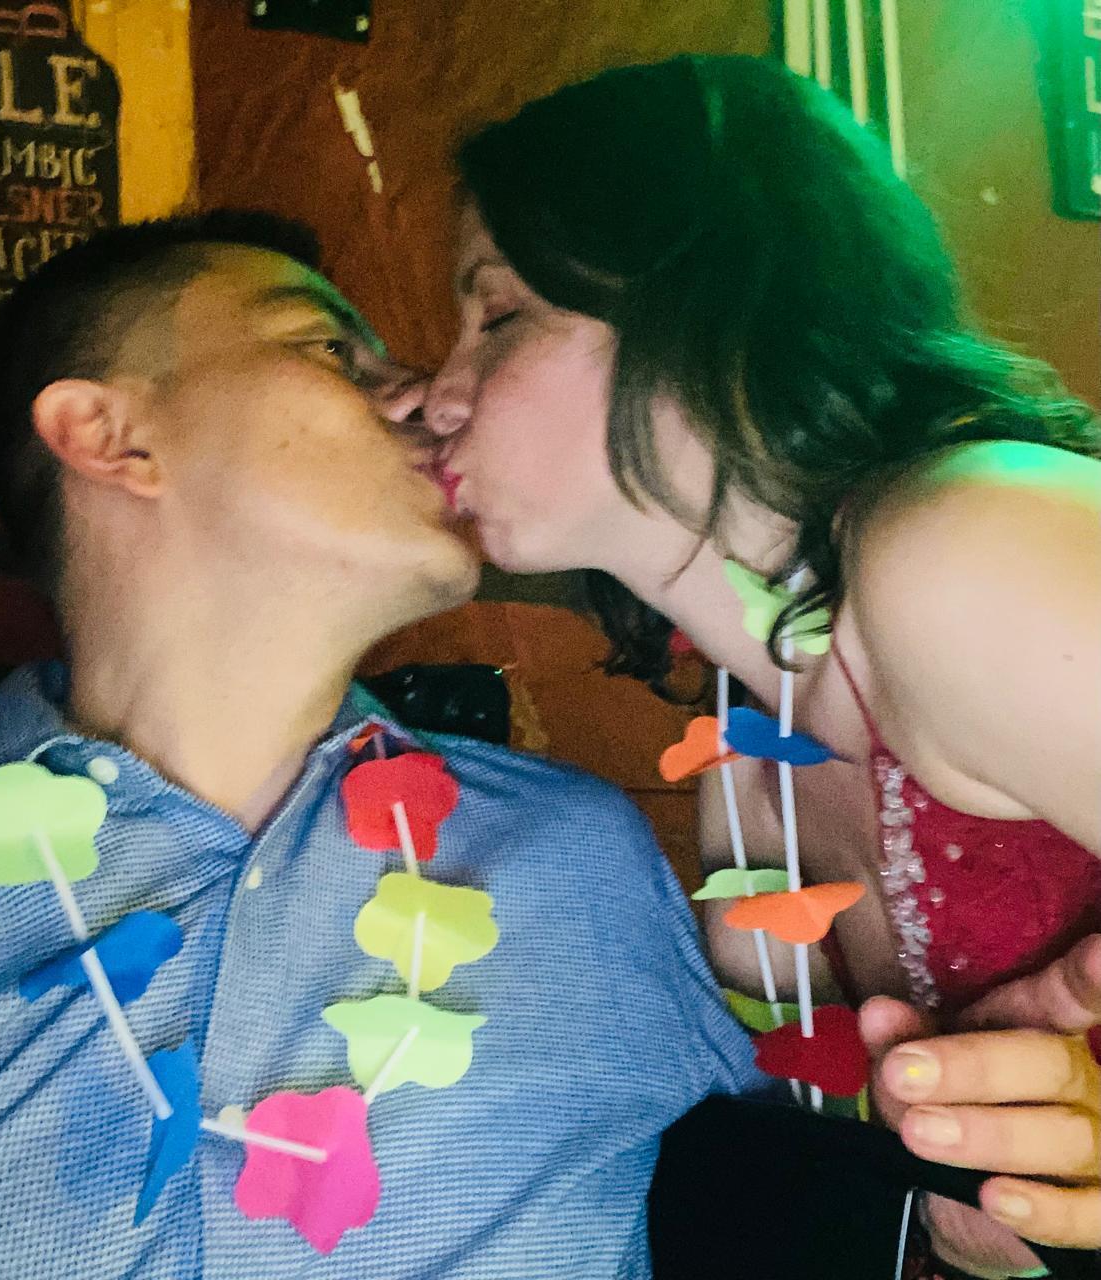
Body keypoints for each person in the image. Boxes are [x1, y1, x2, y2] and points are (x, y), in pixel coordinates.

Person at [0, 210, 768, 1279]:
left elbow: (814, 1191)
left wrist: (962, 1216)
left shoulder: (577, 860)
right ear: (113, 436)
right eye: (329, 348)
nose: (434, 400)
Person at [414, 55, 1101, 1278]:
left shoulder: (960, 543)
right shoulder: (749, 752)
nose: (436, 394)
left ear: (711, 308)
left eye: (499, 315)